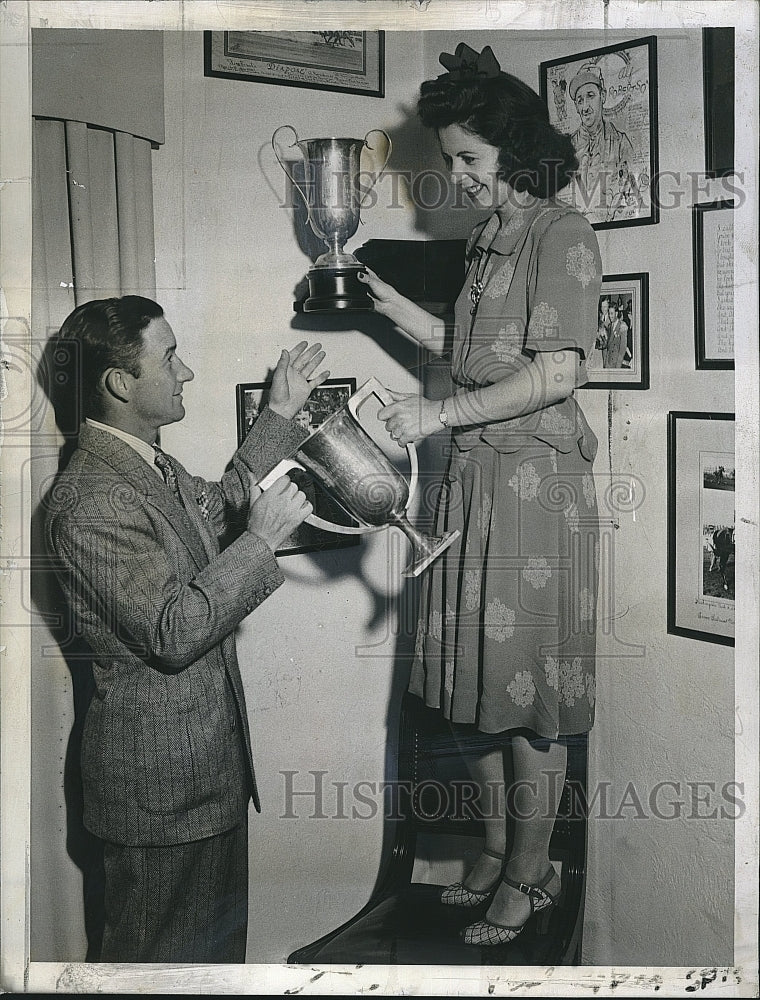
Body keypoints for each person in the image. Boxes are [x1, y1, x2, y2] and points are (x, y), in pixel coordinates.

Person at [357, 42, 601, 947]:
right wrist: (380, 300)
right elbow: (463, 352)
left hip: (534, 490)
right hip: (472, 483)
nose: (455, 176)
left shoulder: (562, 234)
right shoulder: (492, 239)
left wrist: (434, 417)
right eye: (450, 160)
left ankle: (533, 876)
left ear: (516, 151)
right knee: (477, 685)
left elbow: (556, 374)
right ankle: (498, 851)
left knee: (527, 694)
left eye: (469, 160)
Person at [45, 295, 329, 963]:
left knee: (213, 969)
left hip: (204, 784)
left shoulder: (149, 463)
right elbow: (174, 630)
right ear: (120, 383)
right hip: (160, 802)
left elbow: (224, 502)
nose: (187, 373)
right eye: (169, 358)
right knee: (157, 972)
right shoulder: (88, 499)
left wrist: (280, 413)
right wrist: (259, 546)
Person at [567, 62, 641, 222]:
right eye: (580, 100)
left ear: (604, 96)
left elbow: (632, 198)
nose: (585, 106)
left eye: (590, 96)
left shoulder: (620, 143)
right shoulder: (566, 148)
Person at [602, 301, 629, 368]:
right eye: (609, 313)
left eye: (612, 313)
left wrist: (618, 367)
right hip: (608, 364)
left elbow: (622, 349)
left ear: (616, 313)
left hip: (616, 364)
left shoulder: (622, 326)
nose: (610, 316)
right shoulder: (609, 326)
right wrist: (605, 364)